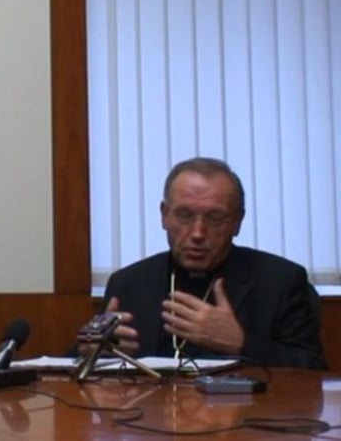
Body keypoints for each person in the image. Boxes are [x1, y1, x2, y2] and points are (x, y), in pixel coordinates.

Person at [84, 157, 326, 369]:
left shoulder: (280, 281)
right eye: (185, 216)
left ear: (237, 221)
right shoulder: (128, 283)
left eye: (215, 218)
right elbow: (77, 363)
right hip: (148, 406)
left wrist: (241, 343)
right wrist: (95, 353)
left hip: (242, 407)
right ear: (164, 216)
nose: (198, 233)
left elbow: (313, 370)